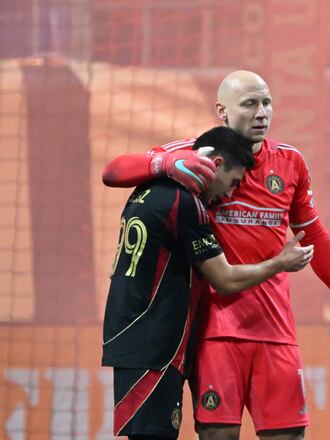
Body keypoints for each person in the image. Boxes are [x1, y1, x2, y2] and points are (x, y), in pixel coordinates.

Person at [101, 70, 330, 440]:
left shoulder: (291, 162)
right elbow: (113, 171)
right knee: (219, 436)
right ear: (221, 110)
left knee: (288, 436)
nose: (262, 112)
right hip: (214, 330)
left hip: (276, 329)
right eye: (250, 103)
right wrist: (162, 164)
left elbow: (313, 233)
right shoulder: (194, 155)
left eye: (267, 102)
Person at [103, 126, 315, 439]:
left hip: (136, 337)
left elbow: (114, 173)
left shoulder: (149, 188)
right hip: (155, 344)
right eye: (231, 183)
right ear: (214, 164)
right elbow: (225, 279)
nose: (229, 194)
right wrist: (280, 264)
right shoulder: (187, 204)